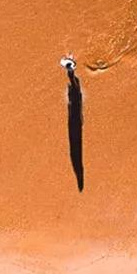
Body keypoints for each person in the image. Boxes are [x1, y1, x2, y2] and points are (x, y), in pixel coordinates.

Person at [60, 55, 84, 193]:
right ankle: (70, 70)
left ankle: (70, 70)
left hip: (75, 121)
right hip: (75, 122)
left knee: (75, 151)